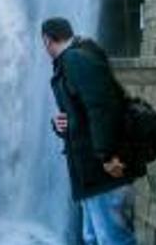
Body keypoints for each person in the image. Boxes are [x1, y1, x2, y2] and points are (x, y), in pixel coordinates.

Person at [44, 17, 137, 245]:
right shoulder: (78, 56)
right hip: (91, 173)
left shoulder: (76, 59)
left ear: (47, 40)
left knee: (112, 239)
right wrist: (58, 124)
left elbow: (101, 107)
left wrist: (106, 155)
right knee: (93, 236)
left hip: (101, 171)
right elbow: (83, 111)